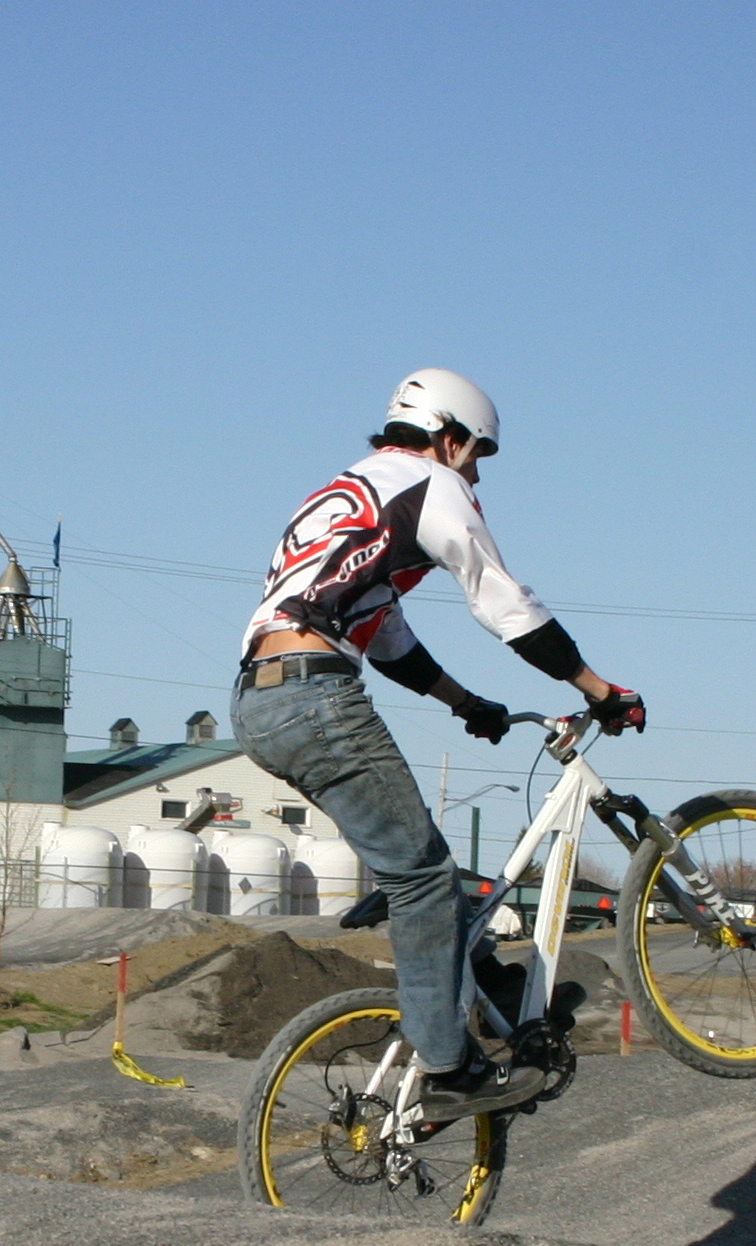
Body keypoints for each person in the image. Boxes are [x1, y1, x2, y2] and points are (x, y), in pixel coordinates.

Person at [231, 367, 645, 1117]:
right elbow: (502, 600)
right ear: (448, 436)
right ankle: (450, 1067)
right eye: (478, 453)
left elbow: (385, 633)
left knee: (420, 860)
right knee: (422, 877)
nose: (477, 472)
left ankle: (496, 990)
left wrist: (465, 703)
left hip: (261, 701)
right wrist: (596, 687)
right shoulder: (432, 482)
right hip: (315, 696)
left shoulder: (348, 493)